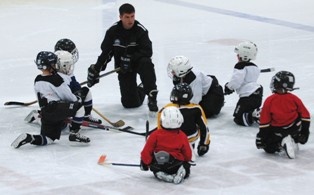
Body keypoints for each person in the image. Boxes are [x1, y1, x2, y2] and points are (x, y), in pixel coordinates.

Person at [87, 3, 159, 112]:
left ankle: (151, 95)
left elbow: (148, 51)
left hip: (138, 63)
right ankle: (141, 88)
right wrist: (97, 69)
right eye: (127, 17)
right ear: (120, 17)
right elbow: (106, 53)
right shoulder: (112, 32)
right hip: (124, 68)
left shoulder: (140, 30)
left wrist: (131, 58)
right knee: (130, 104)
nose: (130, 20)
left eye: (132, 16)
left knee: (146, 63)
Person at [11, 51, 90, 149]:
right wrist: (77, 99)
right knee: (79, 108)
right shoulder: (56, 79)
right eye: (54, 63)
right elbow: (68, 97)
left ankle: (29, 138)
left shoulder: (37, 79)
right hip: (57, 108)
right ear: (50, 65)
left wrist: (46, 113)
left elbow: (39, 97)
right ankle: (74, 133)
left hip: (45, 112)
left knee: (48, 138)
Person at [255, 71, 310, 159]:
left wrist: (262, 137)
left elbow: (265, 121)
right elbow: (306, 116)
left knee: (268, 148)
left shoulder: (270, 100)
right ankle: (293, 138)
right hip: (294, 129)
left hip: (277, 131)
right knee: (298, 118)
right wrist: (305, 132)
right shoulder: (294, 99)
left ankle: (280, 145)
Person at [157, 83, 211, 160]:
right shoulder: (196, 108)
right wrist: (204, 144)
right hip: (190, 140)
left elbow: (160, 129)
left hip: (171, 142)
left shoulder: (165, 109)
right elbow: (204, 128)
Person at [140, 106, 192, 184]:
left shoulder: (155, 135)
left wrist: (146, 163)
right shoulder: (182, 136)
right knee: (186, 166)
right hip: (175, 164)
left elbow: (146, 152)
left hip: (159, 164)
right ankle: (182, 172)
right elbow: (188, 154)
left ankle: (160, 174)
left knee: (156, 167)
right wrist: (187, 162)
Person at [55, 38, 102, 124]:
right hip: (61, 102)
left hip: (68, 97)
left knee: (85, 91)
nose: (73, 56)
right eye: (71, 54)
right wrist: (76, 98)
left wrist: (78, 93)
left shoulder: (66, 68)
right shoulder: (56, 74)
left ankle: (86, 115)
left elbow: (74, 84)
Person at [224, 41, 263, 126]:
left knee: (239, 118)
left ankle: (257, 114)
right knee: (246, 112)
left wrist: (229, 87)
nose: (237, 56)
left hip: (248, 97)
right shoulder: (255, 67)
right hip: (257, 93)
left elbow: (236, 81)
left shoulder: (240, 66)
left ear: (244, 54)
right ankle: (256, 113)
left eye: (238, 54)